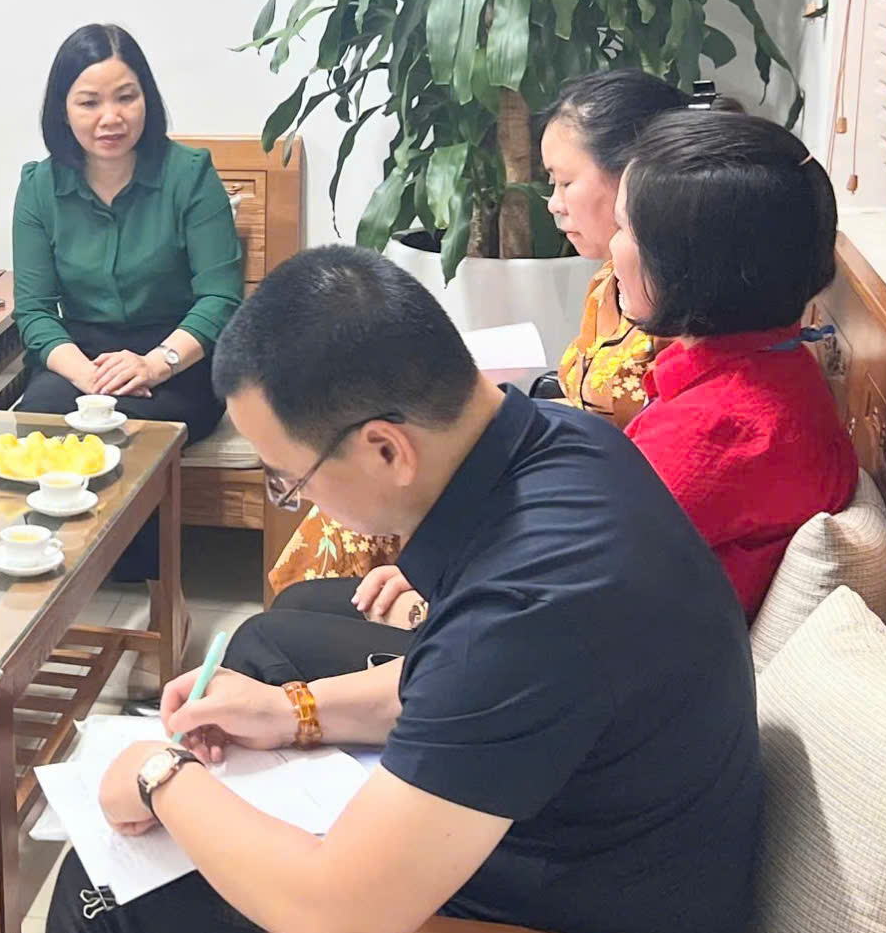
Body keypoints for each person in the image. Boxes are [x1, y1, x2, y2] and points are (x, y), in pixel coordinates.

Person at [43, 247, 762, 933]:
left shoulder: (531, 604)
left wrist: (161, 776)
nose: (299, 500)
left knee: (100, 897)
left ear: (386, 449)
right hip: (574, 849)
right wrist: (292, 710)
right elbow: (459, 684)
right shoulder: (567, 443)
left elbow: (336, 927)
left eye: (290, 479)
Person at [263, 68, 690, 596]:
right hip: (544, 462)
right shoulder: (609, 279)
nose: (553, 203)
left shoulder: (679, 310)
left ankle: (329, 630)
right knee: (356, 483)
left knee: (364, 493)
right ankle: (308, 624)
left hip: (566, 505)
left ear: (633, 176)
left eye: (565, 182)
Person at [13, 23, 242, 580]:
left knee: (125, 418)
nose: (110, 117)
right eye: (89, 102)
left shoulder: (190, 175)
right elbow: (34, 310)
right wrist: (89, 376)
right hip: (83, 355)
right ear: (63, 110)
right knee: (39, 415)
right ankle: (48, 561)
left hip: (179, 357)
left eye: (126, 97)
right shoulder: (40, 186)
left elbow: (221, 297)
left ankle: (131, 570)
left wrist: (154, 364)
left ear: (147, 99)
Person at [606, 109, 857, 615]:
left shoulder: (718, 433)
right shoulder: (772, 367)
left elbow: (568, 576)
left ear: (690, 268)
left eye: (625, 228)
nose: (612, 249)